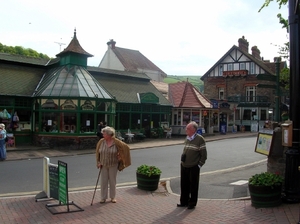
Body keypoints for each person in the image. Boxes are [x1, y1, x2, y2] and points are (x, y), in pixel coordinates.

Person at [95, 126, 131, 203]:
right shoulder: (101, 142)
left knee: (112, 181)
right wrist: (98, 162)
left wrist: (121, 157)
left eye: (104, 134)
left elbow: (126, 148)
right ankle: (103, 198)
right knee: (103, 182)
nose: (103, 135)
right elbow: (98, 153)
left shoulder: (116, 142)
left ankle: (112, 197)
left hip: (113, 164)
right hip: (103, 164)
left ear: (109, 135)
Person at [177, 121, 207, 209]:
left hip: (194, 166)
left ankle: (192, 203)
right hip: (184, 165)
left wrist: (199, 165)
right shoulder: (187, 138)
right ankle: (184, 201)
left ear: (194, 129)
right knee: (184, 185)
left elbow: (204, 155)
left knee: (193, 186)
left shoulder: (200, 139)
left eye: (188, 128)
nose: (186, 130)